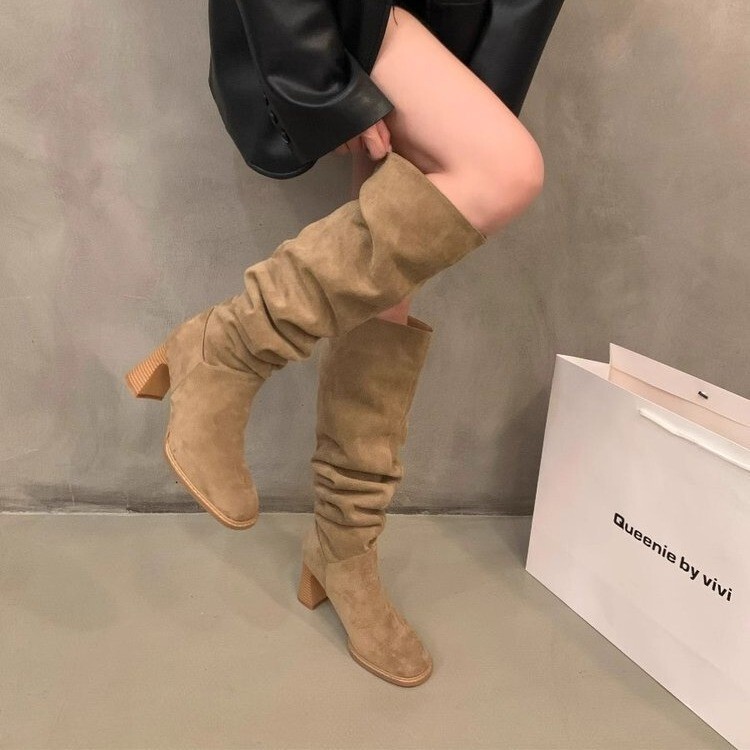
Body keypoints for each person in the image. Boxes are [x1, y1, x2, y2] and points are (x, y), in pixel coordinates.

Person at [125, 1, 565, 687]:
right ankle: (230, 346)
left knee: (387, 282)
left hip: (451, 23)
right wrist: (318, 77)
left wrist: (477, 87)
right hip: (350, 9)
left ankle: (344, 548)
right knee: (508, 171)